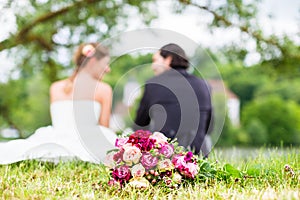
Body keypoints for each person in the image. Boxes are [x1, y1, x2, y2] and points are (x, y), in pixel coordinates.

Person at [0, 43, 117, 164]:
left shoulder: (55, 88)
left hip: (55, 138)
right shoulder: (104, 89)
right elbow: (104, 126)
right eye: (105, 64)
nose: (108, 69)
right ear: (93, 61)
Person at [134, 43, 213, 157]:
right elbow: (209, 127)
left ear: (168, 59)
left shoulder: (153, 84)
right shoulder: (204, 85)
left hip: (165, 161)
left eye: (155, 60)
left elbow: (140, 125)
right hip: (198, 160)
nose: (153, 66)